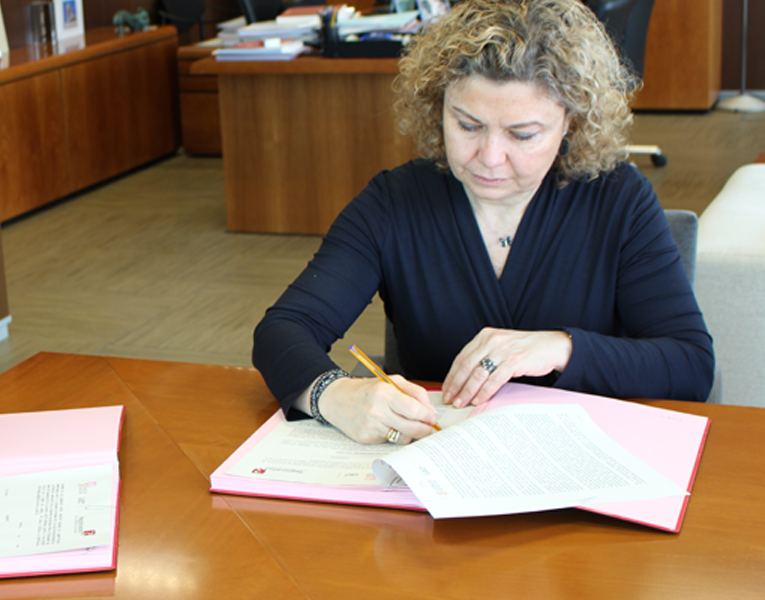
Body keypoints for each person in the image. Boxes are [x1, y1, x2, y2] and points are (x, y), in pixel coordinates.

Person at [252, 0, 714, 446]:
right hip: (438, 462)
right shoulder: (395, 202)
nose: (490, 158)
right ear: (439, 107)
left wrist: (560, 347)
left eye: (522, 134)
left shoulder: (618, 199)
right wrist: (331, 394)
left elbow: (690, 364)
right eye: (468, 125)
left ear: (570, 123)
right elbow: (284, 329)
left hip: (583, 465)